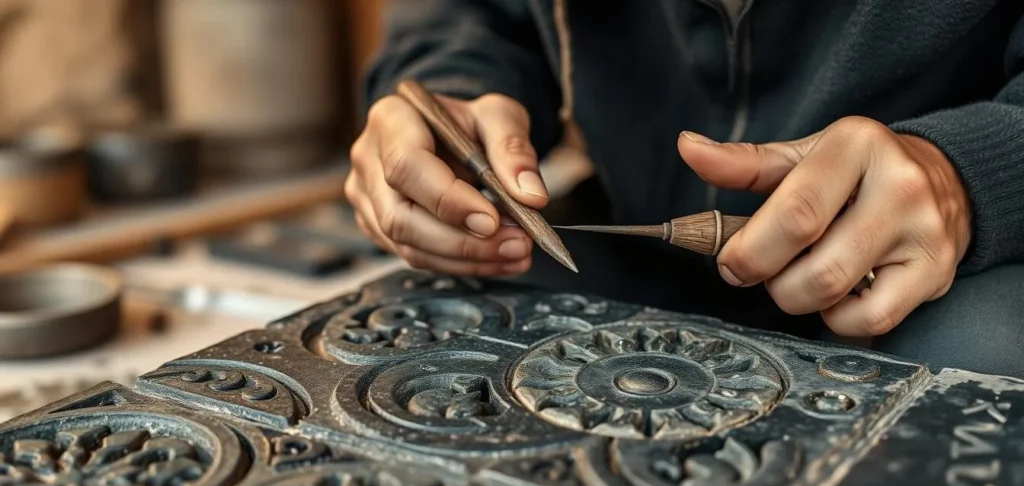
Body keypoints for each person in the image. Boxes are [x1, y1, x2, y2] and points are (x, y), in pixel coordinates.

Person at [344, 0, 1024, 377]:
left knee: (975, 372)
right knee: (427, 334)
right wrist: (454, 89)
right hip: (633, 242)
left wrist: (967, 171)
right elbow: (467, 16)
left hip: (943, 281)